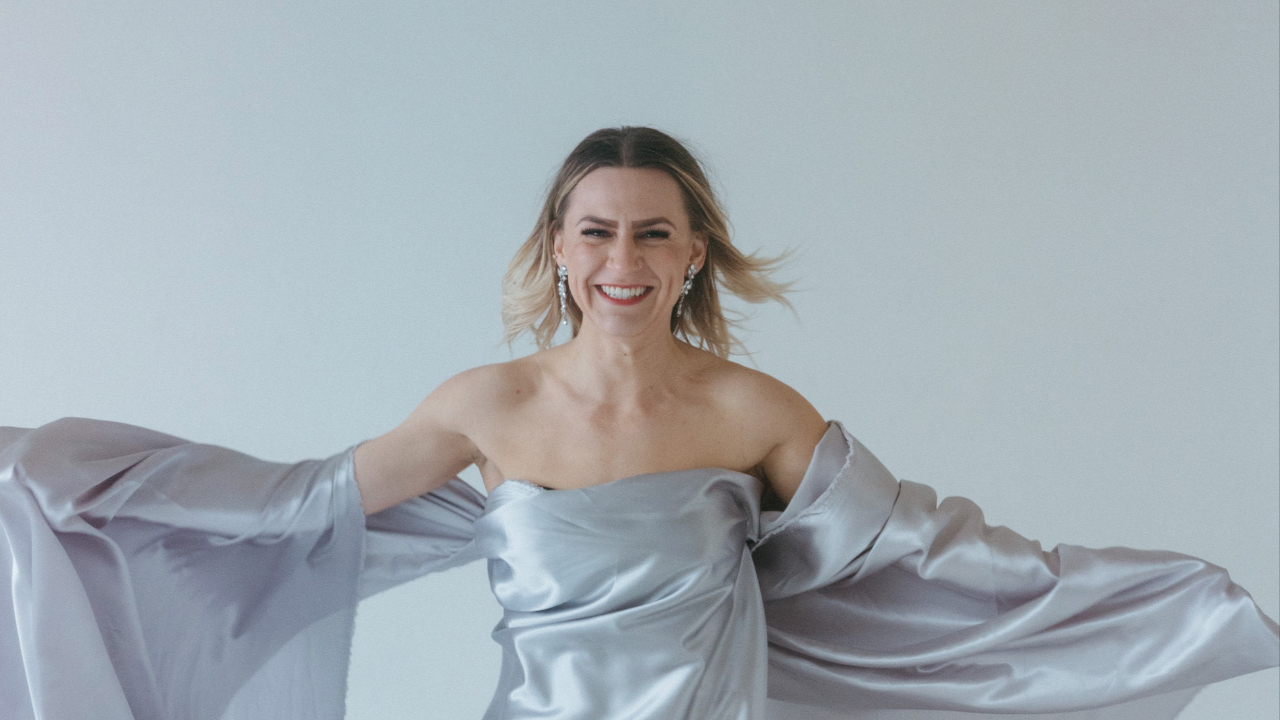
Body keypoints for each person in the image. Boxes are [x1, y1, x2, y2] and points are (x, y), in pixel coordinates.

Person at [1, 127, 1276, 720]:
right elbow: (293, 507)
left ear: (691, 254)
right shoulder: (486, 407)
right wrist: (50, 475)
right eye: (597, 232)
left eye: (652, 233)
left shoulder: (751, 410)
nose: (623, 260)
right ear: (559, 250)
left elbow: (930, 549)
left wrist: (1163, 602)